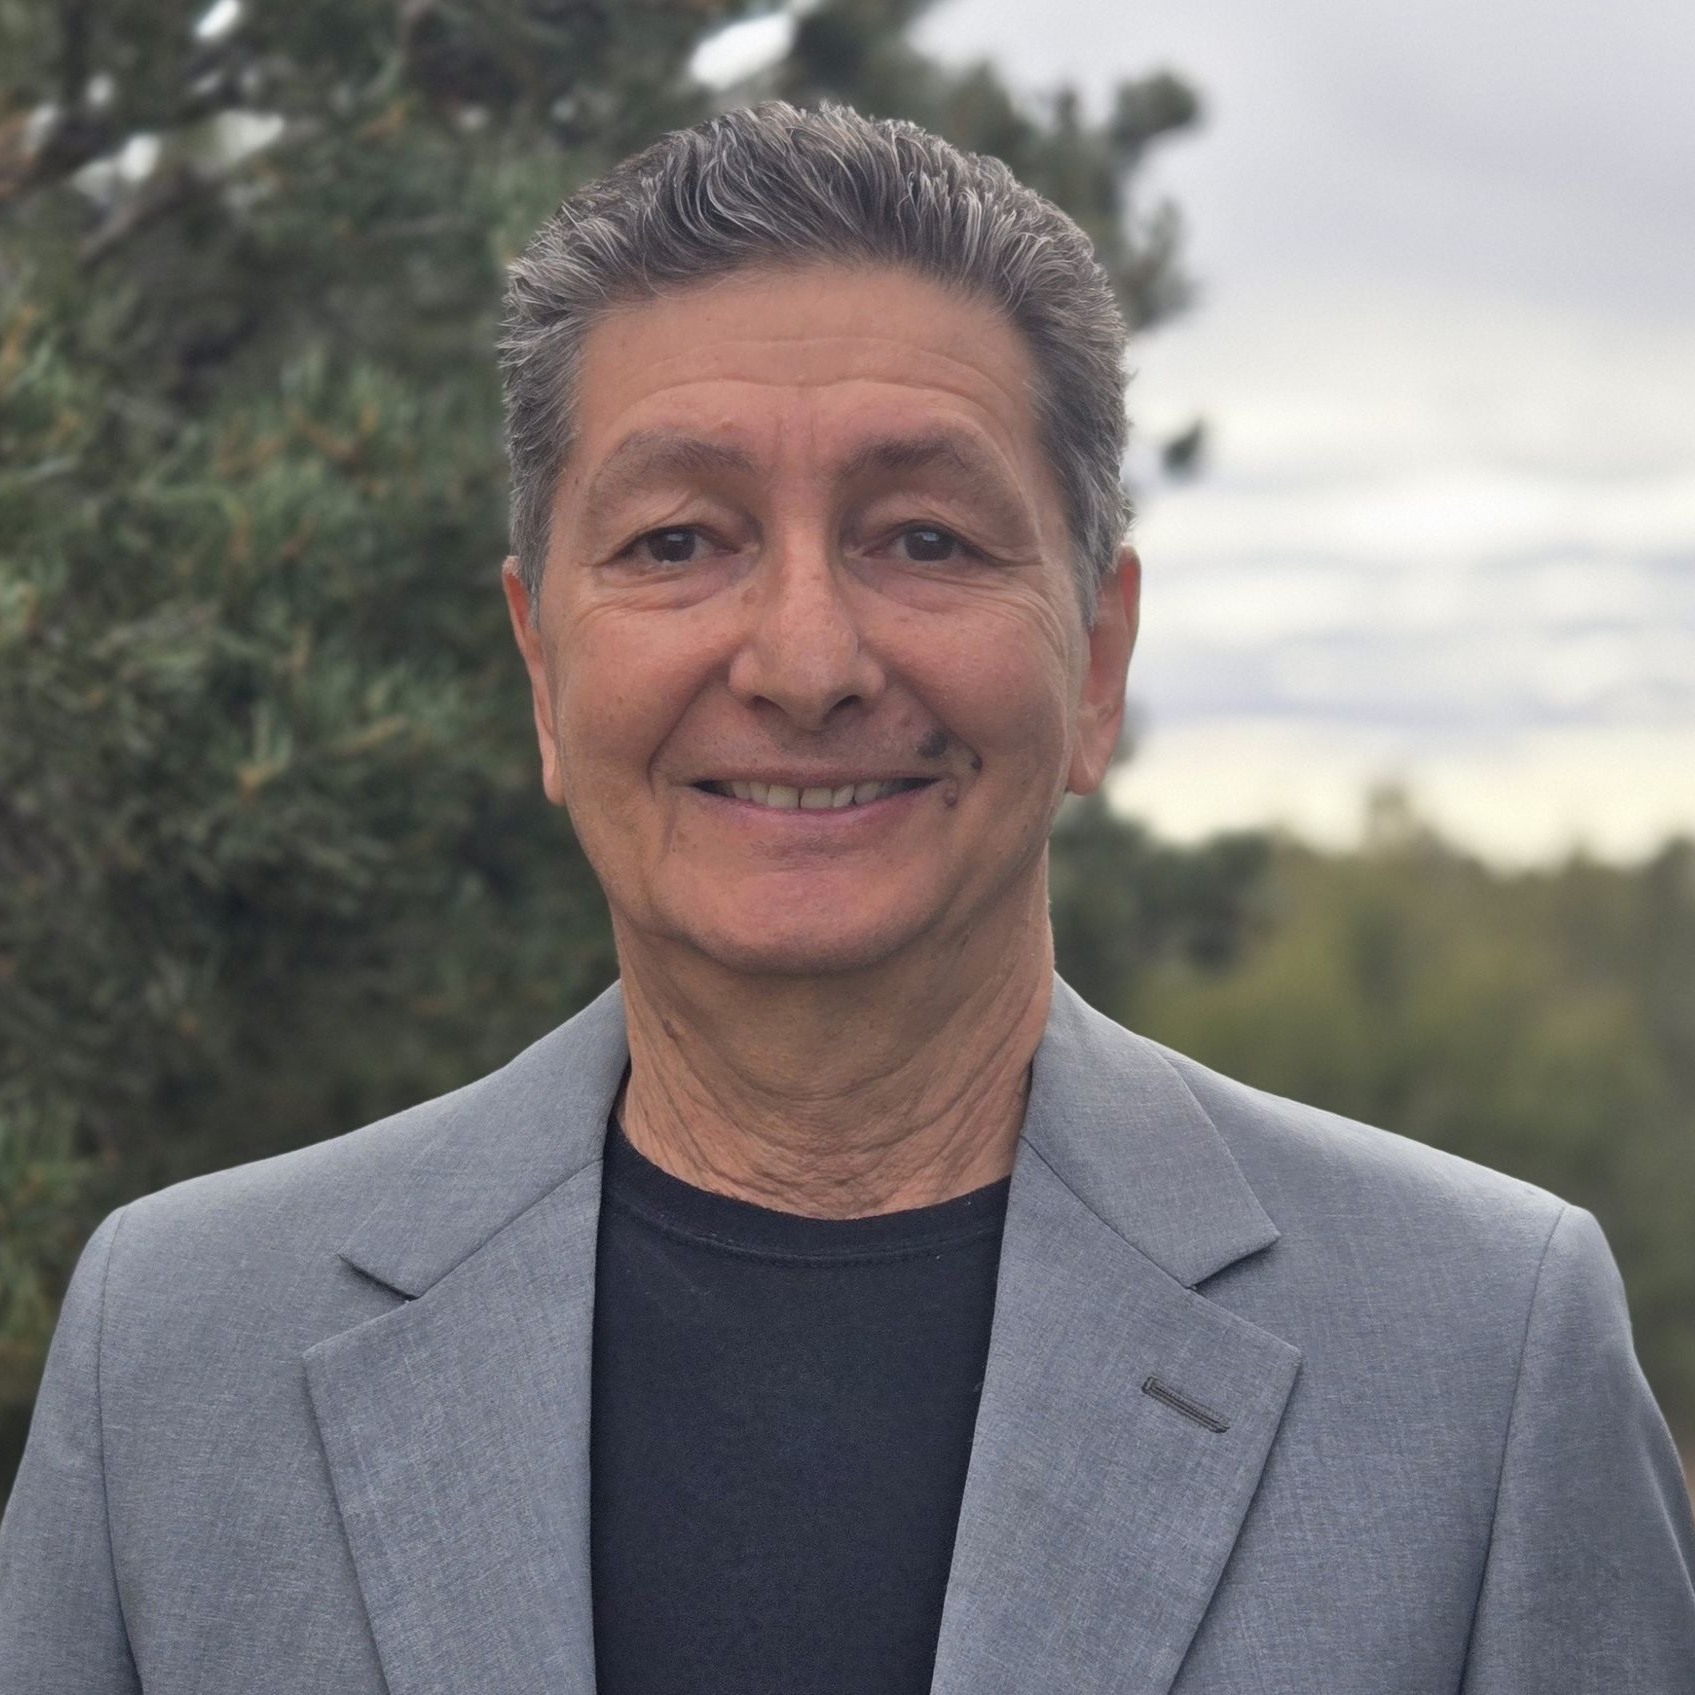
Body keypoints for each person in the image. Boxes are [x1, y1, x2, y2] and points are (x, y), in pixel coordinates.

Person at [2, 100, 1691, 1695]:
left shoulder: (1483, 1357)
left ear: (1096, 661)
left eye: (924, 538)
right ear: (539, 667)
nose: (804, 661)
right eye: (678, 541)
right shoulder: (177, 1352)